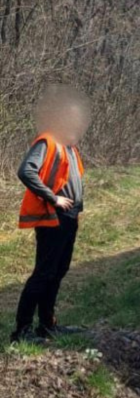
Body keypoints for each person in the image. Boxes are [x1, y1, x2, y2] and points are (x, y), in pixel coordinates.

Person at [11, 87, 91, 343]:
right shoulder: (47, 142)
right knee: (44, 273)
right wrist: (53, 197)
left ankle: (47, 325)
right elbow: (26, 171)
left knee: (58, 271)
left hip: (69, 218)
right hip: (53, 217)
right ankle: (21, 331)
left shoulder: (70, 147)